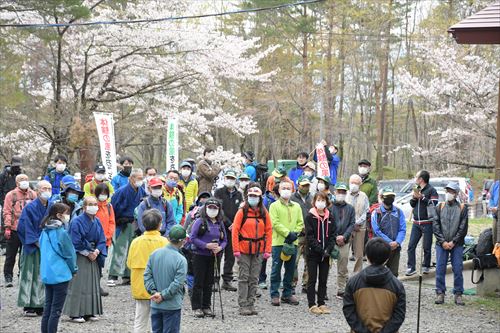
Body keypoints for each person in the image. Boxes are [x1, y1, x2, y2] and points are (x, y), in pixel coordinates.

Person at [343, 238, 406, 333]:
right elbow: (399, 315)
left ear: (367, 256)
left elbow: (349, 311)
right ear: (387, 258)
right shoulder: (397, 285)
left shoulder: (353, 282)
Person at [63, 196, 107, 323]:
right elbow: (75, 241)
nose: (93, 206)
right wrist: (88, 253)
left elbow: (102, 239)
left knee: (92, 284)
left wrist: (97, 251)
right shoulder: (77, 221)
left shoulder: (97, 221)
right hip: (81, 256)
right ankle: (75, 313)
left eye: (95, 204)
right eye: (90, 204)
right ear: (84, 207)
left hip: (94, 255)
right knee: (79, 284)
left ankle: (89, 311)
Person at [232, 184, 272, 315]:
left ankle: (251, 303)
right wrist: (236, 249)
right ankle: (243, 304)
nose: (253, 198)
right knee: (243, 277)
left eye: (255, 196)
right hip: (243, 249)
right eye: (251, 196)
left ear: (260, 198)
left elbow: (269, 231)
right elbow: (235, 231)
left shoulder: (263, 212)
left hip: (258, 250)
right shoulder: (241, 211)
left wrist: (267, 250)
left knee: (254, 278)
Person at [127, 209, 169, 332]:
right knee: (159, 321)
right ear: (160, 224)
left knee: (140, 319)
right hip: (159, 288)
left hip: (140, 286)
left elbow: (129, 264)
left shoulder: (136, 242)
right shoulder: (164, 242)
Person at [39, 202, 77, 333]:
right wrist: (74, 269)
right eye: (67, 213)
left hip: (47, 274)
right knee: (56, 311)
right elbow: (69, 254)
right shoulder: (61, 232)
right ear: (59, 215)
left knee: (47, 309)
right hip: (60, 275)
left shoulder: (44, 231)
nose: (68, 216)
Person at [16, 180, 52, 316]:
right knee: (29, 275)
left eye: (49, 188)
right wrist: (37, 242)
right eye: (44, 188)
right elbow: (24, 227)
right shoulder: (30, 207)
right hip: (32, 246)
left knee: (42, 275)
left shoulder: (52, 207)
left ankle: (40, 303)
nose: (47, 191)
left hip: (47, 246)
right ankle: (28, 305)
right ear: (37, 191)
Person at [144, 225, 188, 333]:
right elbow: (177, 283)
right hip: (172, 306)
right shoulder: (181, 260)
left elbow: (147, 276)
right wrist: (163, 296)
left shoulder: (154, 254)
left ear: (168, 238)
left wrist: (154, 293)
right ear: (183, 241)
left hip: (155, 303)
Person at [189, 198, 227, 318]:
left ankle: (206, 306)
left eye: (215, 208)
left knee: (209, 282)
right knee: (198, 282)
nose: (212, 210)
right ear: (205, 208)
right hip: (199, 255)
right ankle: (196, 307)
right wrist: (206, 245)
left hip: (213, 256)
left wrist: (220, 248)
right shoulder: (200, 221)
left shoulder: (220, 223)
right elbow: (192, 238)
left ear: (219, 210)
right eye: (210, 207)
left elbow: (225, 240)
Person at [108, 168, 146, 286]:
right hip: (123, 223)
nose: (140, 180)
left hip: (135, 223)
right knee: (120, 249)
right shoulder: (121, 191)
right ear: (131, 179)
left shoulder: (142, 191)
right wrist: (117, 220)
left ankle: (127, 275)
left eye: (141, 178)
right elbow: (113, 207)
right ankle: (113, 275)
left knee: (132, 249)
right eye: (138, 178)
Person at [269, 181, 304, 306]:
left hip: (293, 242)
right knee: (276, 269)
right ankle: (274, 294)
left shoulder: (296, 206)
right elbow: (275, 222)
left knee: (290, 269)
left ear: (292, 190)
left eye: (288, 188)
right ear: (278, 190)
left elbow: (300, 222)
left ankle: (287, 293)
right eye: (283, 188)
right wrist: (287, 233)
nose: (286, 190)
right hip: (278, 242)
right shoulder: (274, 206)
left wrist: (295, 233)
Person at [433, 182, 468, 306]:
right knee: (440, 268)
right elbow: (435, 225)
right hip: (441, 244)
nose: (449, 193)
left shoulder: (462, 208)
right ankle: (440, 293)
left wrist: (453, 242)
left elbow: (463, 228)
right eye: (447, 191)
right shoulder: (439, 207)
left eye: (452, 191)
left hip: (456, 244)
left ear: (456, 193)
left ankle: (458, 294)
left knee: (458, 268)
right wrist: (442, 241)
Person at [305, 191, 336, 315]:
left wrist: (328, 250)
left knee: (323, 279)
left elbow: (333, 235)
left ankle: (321, 302)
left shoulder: (331, 217)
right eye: (318, 200)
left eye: (323, 200)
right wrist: (320, 249)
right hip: (313, 253)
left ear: (327, 202)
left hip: (326, 255)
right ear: (314, 202)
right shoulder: (309, 217)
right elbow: (310, 236)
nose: (321, 203)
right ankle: (312, 304)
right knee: (312, 279)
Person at [3, 174, 37, 287]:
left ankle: (22, 274)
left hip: (28, 229)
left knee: (26, 254)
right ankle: (8, 276)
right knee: (11, 254)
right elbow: (7, 211)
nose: (24, 182)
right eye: (22, 180)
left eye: (26, 180)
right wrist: (7, 227)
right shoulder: (10, 195)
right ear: (17, 183)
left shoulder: (33, 194)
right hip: (14, 228)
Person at [214, 169, 242, 291]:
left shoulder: (239, 194)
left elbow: (240, 211)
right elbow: (218, 209)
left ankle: (227, 280)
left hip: (234, 229)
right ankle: (215, 280)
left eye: (232, 178)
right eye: (228, 178)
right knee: (218, 255)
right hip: (220, 226)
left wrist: (235, 224)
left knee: (230, 256)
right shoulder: (219, 192)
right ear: (224, 179)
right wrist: (228, 223)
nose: (230, 180)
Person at [406, 170, 439, 276]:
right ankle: (411, 267)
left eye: (417, 177)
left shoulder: (432, 190)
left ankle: (426, 266)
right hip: (416, 222)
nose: (415, 178)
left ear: (421, 179)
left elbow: (434, 203)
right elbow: (412, 204)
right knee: (411, 246)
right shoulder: (417, 189)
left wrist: (422, 197)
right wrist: (414, 198)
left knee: (426, 246)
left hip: (427, 222)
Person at [371, 187, 407, 277]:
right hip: (380, 248)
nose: (390, 198)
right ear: (382, 198)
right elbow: (376, 230)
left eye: (392, 196)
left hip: (395, 248)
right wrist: (389, 242)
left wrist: (397, 242)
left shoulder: (399, 212)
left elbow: (402, 229)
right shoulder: (376, 213)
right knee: (377, 272)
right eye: (387, 196)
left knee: (394, 274)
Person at [330, 182, 355, 298]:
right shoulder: (330, 207)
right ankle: (322, 288)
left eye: (343, 192)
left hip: (345, 241)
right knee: (326, 265)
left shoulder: (350, 208)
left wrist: (344, 237)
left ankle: (341, 289)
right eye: (339, 191)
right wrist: (335, 236)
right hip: (331, 240)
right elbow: (328, 224)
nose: (341, 194)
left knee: (343, 265)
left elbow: (352, 224)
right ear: (335, 192)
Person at [290, 175, 313, 294]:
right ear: (298, 185)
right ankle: (292, 284)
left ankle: (306, 284)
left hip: (310, 234)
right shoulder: (292, 198)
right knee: (294, 260)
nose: (305, 187)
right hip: (297, 234)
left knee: (309, 260)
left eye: (307, 185)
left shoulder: (312, 198)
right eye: (303, 185)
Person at [94, 182, 116, 296]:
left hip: (105, 241)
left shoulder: (109, 206)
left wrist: (108, 235)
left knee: (101, 262)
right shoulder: (92, 205)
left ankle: (97, 285)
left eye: (105, 193)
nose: (103, 195)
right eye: (101, 193)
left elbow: (112, 222)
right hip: (94, 240)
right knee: (94, 263)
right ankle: (93, 286)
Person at [346, 174, 370, 273]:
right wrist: (350, 225)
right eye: (352, 183)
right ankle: (344, 274)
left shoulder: (364, 196)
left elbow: (366, 211)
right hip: (346, 228)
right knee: (344, 253)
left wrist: (358, 223)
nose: (354, 185)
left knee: (359, 253)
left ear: (360, 184)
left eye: (356, 183)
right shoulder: (345, 195)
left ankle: (357, 273)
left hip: (360, 228)